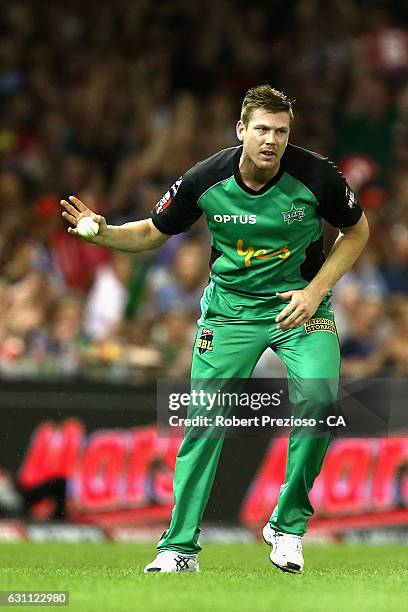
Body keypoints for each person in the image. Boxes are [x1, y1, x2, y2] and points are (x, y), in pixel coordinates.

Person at [61, 85, 369, 574]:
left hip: (301, 308)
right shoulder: (205, 178)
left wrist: (314, 293)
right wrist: (104, 234)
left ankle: (287, 529)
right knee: (205, 421)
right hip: (230, 312)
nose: (272, 140)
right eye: (262, 129)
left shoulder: (318, 176)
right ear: (241, 130)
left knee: (319, 401)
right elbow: (149, 233)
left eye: (281, 132)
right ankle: (178, 549)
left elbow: (358, 230)